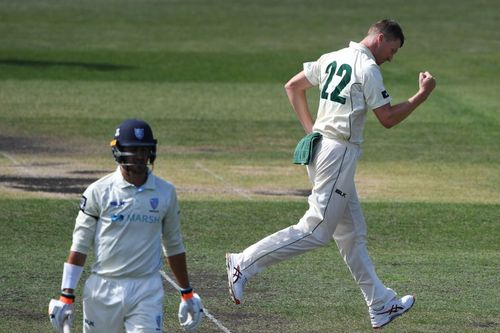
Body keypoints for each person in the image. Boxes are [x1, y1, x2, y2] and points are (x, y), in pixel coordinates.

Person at [226, 19, 436, 329]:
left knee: (352, 235)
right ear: (380, 39)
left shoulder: (332, 57)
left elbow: (292, 86)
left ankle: (380, 304)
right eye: (392, 50)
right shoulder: (367, 68)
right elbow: (388, 119)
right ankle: (243, 263)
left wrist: (313, 131)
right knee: (316, 230)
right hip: (337, 154)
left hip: (325, 149)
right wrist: (422, 95)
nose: (391, 57)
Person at [49, 119, 204, 332]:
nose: (140, 156)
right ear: (119, 151)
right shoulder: (98, 191)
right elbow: (80, 244)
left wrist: (187, 292)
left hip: (146, 289)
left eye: (144, 149)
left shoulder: (165, 192)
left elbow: (174, 244)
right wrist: (66, 295)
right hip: (103, 289)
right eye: (133, 150)